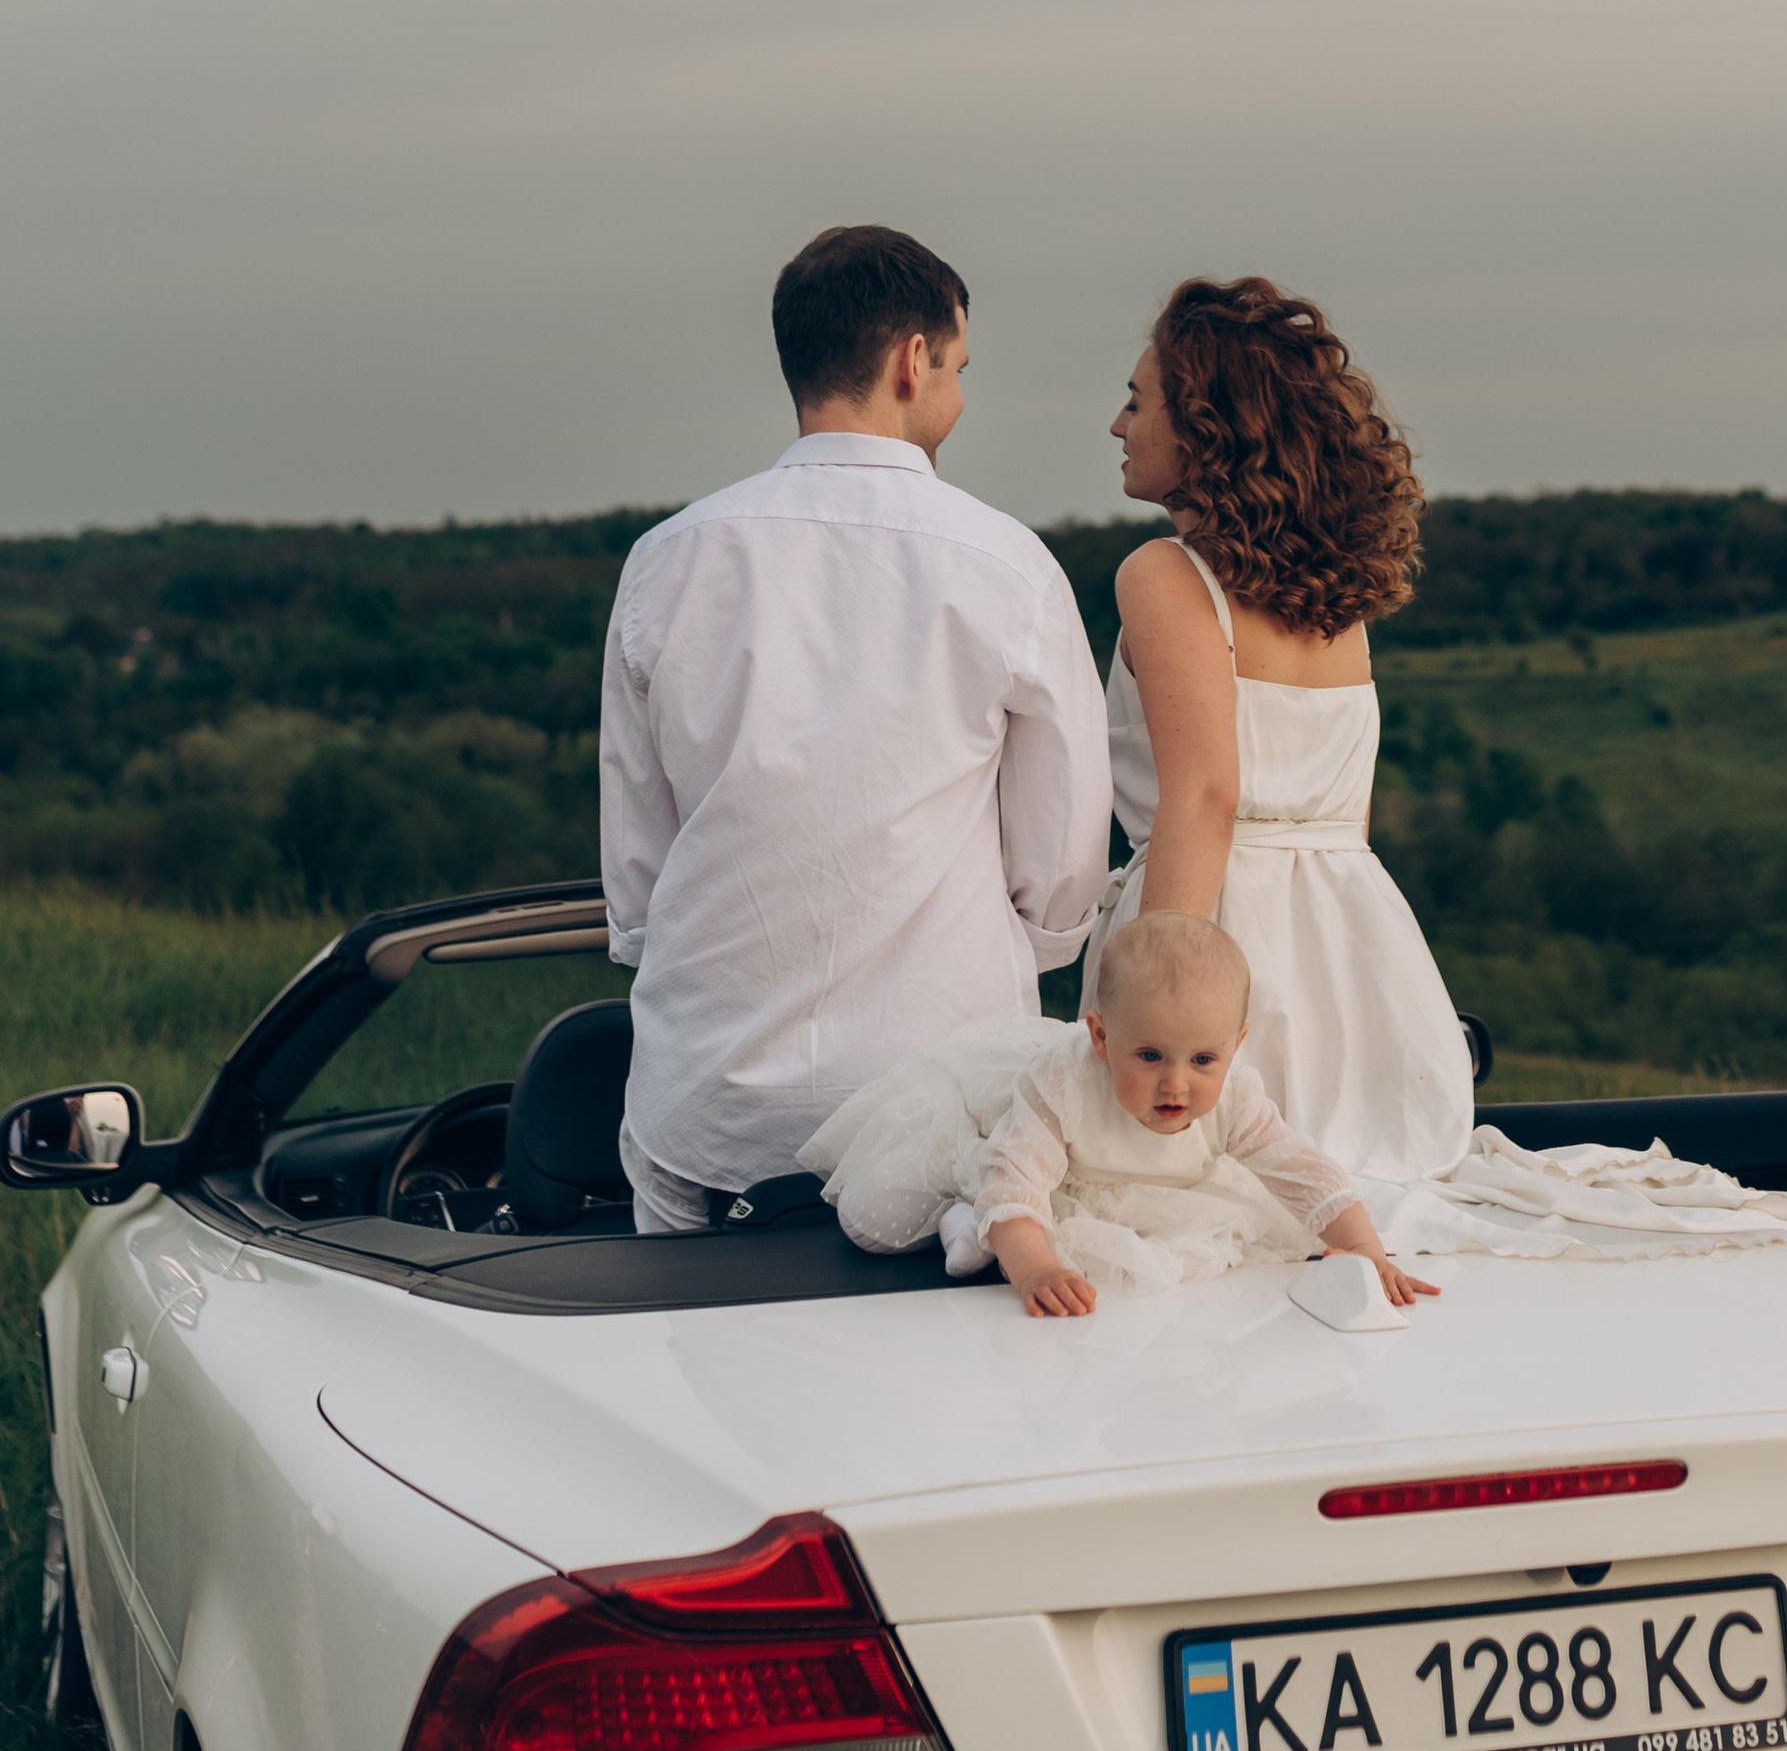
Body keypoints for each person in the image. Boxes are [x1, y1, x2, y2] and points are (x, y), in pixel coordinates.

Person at [600, 224, 1113, 1227]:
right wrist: (1010, 947)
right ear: (912, 362)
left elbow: (640, 873)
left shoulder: (666, 560)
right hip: (943, 1103)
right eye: (959, 366)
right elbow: (1061, 874)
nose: (957, 390)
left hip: (705, 1110)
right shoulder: (1009, 566)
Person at [1092, 273, 1475, 1183]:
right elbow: (1349, 821)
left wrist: (1165, 1008)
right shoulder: (1339, 601)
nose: (1117, 425)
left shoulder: (1163, 576)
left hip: (1220, 936)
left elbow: (1204, 799)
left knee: (1176, 1187)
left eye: (1138, 402)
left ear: (1203, 424)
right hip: (1358, 953)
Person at [971, 913, 1438, 1319]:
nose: (1175, 1083)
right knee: (989, 1196)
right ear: (1101, 1038)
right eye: (1150, 1056)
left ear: (1235, 1046)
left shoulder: (1235, 1099)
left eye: (1202, 1060)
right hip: (1073, 1189)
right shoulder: (1064, 1084)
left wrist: (1365, 1249)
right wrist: (1037, 1269)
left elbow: (1305, 1173)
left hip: (1176, 1196)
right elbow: (1012, 1181)